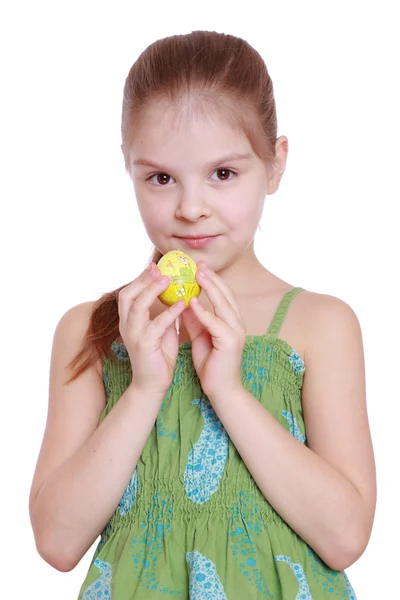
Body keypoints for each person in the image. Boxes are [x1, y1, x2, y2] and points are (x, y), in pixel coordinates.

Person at [28, 30, 376, 599]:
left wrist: (231, 392)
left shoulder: (320, 325)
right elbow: (57, 543)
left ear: (276, 164)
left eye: (223, 174)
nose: (190, 208)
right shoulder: (89, 331)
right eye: (161, 178)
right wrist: (143, 388)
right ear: (129, 168)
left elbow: (345, 537)